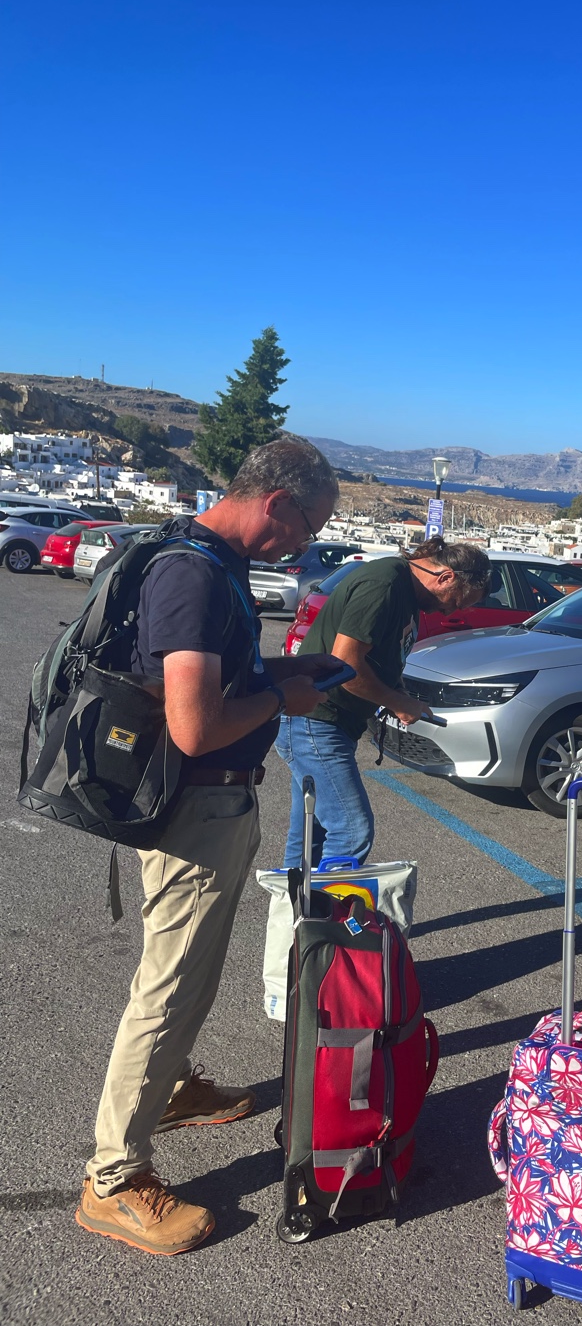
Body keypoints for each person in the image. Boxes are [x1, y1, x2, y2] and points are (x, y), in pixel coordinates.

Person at [76, 435, 343, 1256]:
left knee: (185, 977)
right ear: (276, 502)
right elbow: (194, 726)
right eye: (308, 526)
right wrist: (285, 696)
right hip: (193, 810)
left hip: (207, 810)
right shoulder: (191, 574)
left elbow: (214, 678)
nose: (306, 544)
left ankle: (175, 1088)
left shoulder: (203, 561)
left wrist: (278, 673)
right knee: (168, 986)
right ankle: (113, 1177)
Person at [275, 538, 491, 869]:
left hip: (325, 722)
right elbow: (345, 665)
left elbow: (382, 659)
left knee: (310, 832)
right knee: (351, 830)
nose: (451, 611)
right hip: (316, 720)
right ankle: (329, 915)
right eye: (457, 601)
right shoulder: (385, 581)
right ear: (446, 576)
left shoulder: (404, 594)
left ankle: (294, 915)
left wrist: (400, 695)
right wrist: (395, 701)